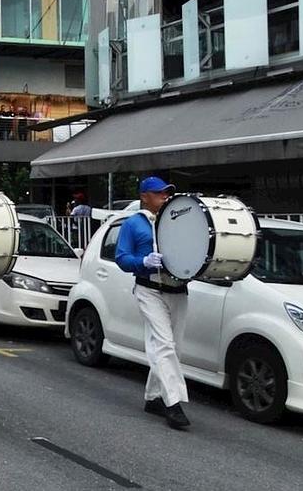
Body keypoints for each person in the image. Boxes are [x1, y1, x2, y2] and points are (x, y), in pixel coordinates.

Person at [115, 176, 191, 430]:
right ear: (144, 196)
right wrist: (143, 262)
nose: (165, 197)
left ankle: (152, 397)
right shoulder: (133, 224)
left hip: (178, 290)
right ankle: (174, 403)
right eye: (159, 194)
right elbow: (122, 257)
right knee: (165, 345)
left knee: (173, 348)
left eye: (167, 193)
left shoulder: (176, 221)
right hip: (149, 289)